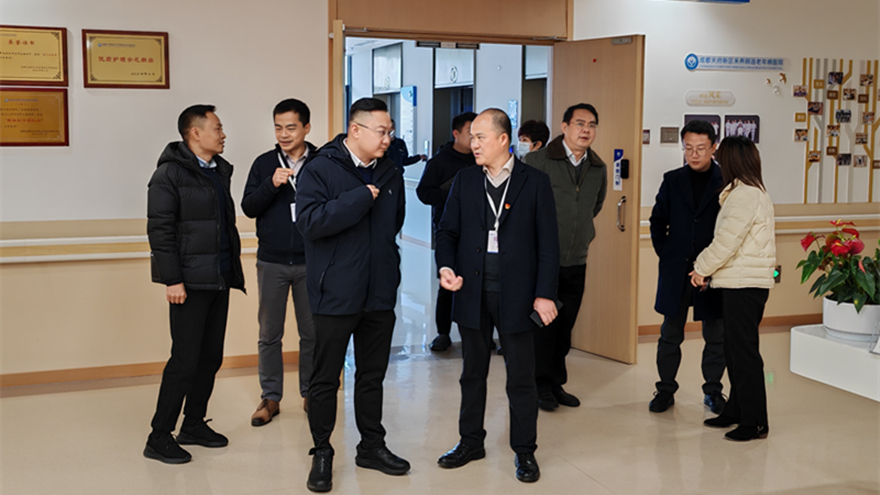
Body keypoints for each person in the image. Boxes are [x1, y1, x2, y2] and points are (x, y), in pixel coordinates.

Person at [435, 108, 560, 483]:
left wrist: (544, 294)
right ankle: (470, 441)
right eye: (471, 137)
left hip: (518, 294)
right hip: (472, 291)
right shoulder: (465, 180)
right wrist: (446, 267)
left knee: (521, 377)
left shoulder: (534, 182)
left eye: (480, 137)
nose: (473, 144)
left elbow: (548, 245)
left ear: (503, 139)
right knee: (472, 374)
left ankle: (525, 450)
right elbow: (447, 232)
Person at [295, 98, 408, 492]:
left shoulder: (390, 171)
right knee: (326, 379)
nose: (388, 139)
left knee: (372, 375)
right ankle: (322, 451)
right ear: (355, 130)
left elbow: (394, 224)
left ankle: (371, 446)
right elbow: (310, 223)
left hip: (379, 292)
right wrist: (359, 198)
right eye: (382, 131)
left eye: (390, 131)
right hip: (336, 293)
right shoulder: (320, 168)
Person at [144, 104, 245, 464]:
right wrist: (172, 279)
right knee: (185, 360)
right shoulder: (168, 175)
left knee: (210, 357)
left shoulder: (218, 171)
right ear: (195, 133)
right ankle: (159, 436)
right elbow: (160, 231)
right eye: (217, 128)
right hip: (188, 283)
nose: (223, 134)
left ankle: (193, 424)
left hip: (218, 278)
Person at [690, 136, 776, 442]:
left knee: (744, 353)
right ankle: (736, 410)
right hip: (739, 282)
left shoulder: (745, 196)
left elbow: (727, 241)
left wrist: (701, 268)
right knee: (734, 350)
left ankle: (755, 422)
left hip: (745, 285)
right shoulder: (745, 191)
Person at [522, 103, 607, 412]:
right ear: (564, 127)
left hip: (576, 258)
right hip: (543, 261)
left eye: (592, 125)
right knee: (543, 327)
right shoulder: (537, 161)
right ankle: (538, 385)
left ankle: (555, 382)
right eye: (580, 123)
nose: (586, 130)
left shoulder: (597, 167)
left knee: (564, 327)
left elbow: (595, 206)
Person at [241, 98, 317, 425]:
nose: (284, 134)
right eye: (278, 127)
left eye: (291, 127)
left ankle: (311, 393)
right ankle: (270, 397)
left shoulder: (322, 162)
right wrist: (270, 185)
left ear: (306, 128)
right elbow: (248, 207)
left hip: (311, 261)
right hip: (271, 262)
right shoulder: (263, 163)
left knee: (312, 333)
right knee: (269, 334)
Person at [648, 120, 726, 415]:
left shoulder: (726, 180)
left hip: (713, 271)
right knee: (670, 334)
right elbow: (658, 221)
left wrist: (713, 265)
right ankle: (665, 390)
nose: (694, 154)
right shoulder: (672, 180)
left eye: (701, 148)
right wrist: (666, 253)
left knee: (716, 335)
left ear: (713, 148)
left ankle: (713, 391)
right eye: (688, 148)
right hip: (676, 270)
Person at [416, 111, 478, 352]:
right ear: (456, 134)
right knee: (447, 283)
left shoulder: (481, 159)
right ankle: (443, 333)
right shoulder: (440, 161)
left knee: (478, 284)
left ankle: (478, 333)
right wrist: (453, 199)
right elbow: (423, 192)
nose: (475, 139)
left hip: (479, 232)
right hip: (449, 230)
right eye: (471, 133)